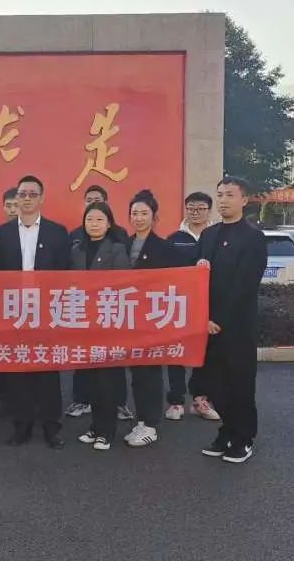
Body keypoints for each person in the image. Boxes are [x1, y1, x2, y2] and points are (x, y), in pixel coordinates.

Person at [0, 175, 70, 450]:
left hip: (46, 310)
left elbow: (65, 273)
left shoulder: (57, 232)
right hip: (13, 309)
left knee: (48, 370)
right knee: (19, 370)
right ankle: (22, 426)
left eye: (32, 194)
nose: (26, 199)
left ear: (42, 198)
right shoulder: (1, 233)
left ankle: (51, 427)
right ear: (16, 199)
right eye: (22, 194)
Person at [198, 176, 267, 464]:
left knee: (239, 384)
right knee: (214, 384)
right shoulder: (208, 235)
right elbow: (196, 280)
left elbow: (245, 285)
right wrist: (202, 316)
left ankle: (243, 439)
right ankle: (226, 432)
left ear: (244, 200)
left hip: (237, 326)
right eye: (220, 194)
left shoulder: (253, 237)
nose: (223, 200)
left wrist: (220, 319)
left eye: (229, 195)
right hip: (207, 326)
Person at [66, 184, 133, 422]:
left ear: (109, 223)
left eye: (99, 219)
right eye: (89, 219)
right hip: (82, 312)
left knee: (111, 362)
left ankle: (117, 403)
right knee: (84, 359)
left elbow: (122, 282)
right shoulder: (76, 249)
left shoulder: (117, 248)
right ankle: (83, 399)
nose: (94, 224)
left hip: (107, 312)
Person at [123, 189, 179, 447]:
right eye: (134, 213)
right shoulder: (122, 245)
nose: (138, 218)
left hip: (153, 319)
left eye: (144, 213)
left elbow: (175, 284)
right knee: (137, 373)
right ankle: (141, 420)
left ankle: (151, 424)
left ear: (154, 217)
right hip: (127, 318)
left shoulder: (165, 248)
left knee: (151, 372)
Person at [165, 191, 219, 421]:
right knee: (177, 351)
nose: (195, 212)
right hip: (180, 302)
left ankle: (200, 399)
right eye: (191, 208)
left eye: (200, 208)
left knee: (206, 352)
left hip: (210, 303)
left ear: (209, 210)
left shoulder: (217, 236)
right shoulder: (174, 238)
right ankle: (176, 401)